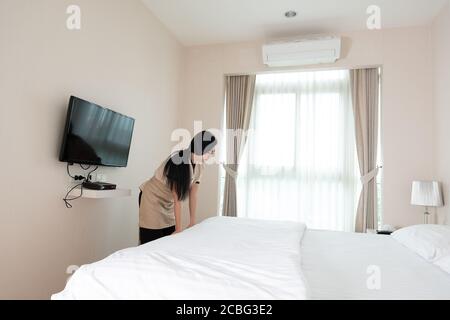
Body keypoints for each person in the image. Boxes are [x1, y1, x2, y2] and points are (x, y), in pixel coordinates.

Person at [138, 131, 217, 245]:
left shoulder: (200, 166)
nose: (212, 155)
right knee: (151, 244)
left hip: (168, 204)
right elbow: (178, 198)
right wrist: (179, 228)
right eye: (211, 151)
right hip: (152, 200)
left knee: (168, 243)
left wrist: (192, 221)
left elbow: (193, 194)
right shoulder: (180, 161)